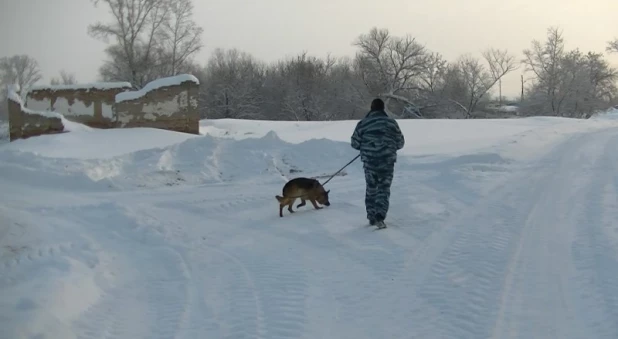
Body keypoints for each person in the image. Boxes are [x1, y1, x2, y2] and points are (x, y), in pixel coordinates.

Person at [351, 98, 405, 228]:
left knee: (371, 188)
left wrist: (366, 146)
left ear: (371, 108)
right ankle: (380, 216)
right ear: (383, 109)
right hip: (387, 161)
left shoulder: (363, 123)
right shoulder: (392, 123)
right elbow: (400, 142)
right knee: (383, 188)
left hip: (369, 161)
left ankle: (371, 216)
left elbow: (354, 143)